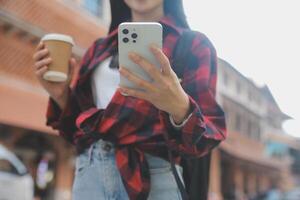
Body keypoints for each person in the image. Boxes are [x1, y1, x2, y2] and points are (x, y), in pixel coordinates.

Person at [32, 0, 226, 199]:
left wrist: (180, 108)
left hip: (155, 176)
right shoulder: (99, 49)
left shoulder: (192, 44)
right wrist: (60, 94)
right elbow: (76, 129)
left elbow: (208, 134)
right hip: (90, 175)